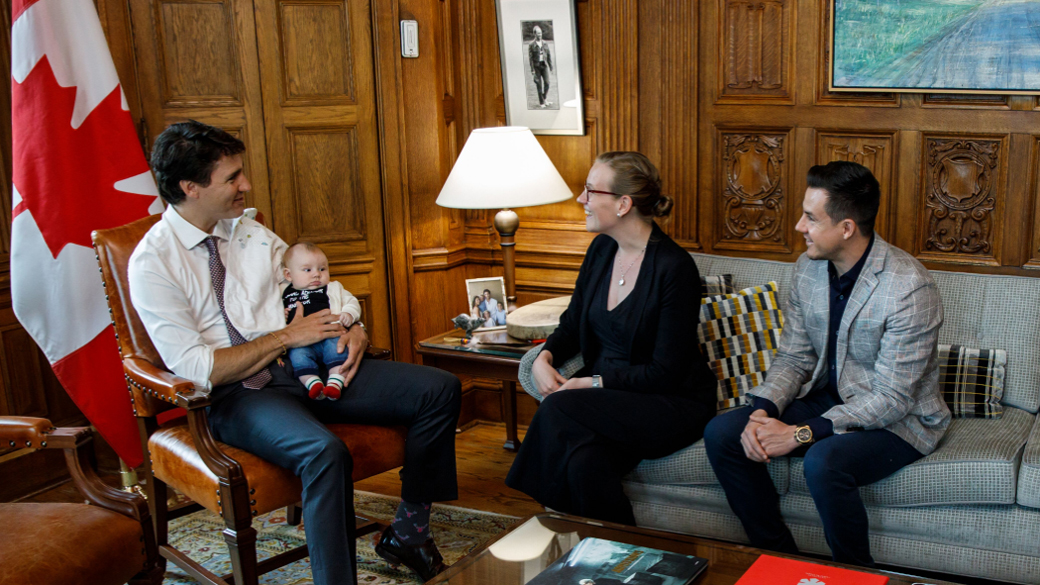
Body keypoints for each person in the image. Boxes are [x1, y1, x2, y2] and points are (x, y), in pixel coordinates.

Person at [128, 120, 461, 585]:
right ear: (191, 188)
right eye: (232, 178)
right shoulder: (153, 262)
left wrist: (355, 327)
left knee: (438, 389)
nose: (245, 185)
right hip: (236, 395)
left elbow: (315, 288)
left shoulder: (250, 234)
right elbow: (199, 370)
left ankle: (408, 534)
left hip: (307, 366)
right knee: (324, 453)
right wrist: (286, 338)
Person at [703, 161, 950, 568]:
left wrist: (798, 433)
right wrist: (761, 412)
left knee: (824, 460)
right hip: (827, 397)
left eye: (811, 218)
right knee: (724, 432)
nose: (799, 226)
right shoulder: (808, 269)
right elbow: (796, 357)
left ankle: (853, 574)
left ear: (847, 227)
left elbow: (892, 397)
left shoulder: (909, 287)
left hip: (900, 420)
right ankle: (780, 559)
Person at [505, 151, 717, 525]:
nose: (580, 200)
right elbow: (572, 323)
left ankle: (537, 524)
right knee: (586, 466)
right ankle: (625, 561)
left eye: (589, 190)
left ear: (623, 204)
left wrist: (592, 382)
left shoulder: (674, 268)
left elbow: (664, 372)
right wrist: (544, 357)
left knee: (557, 406)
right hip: (609, 400)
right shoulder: (602, 249)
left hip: (668, 403)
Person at [281, 241, 359, 401]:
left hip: (330, 335)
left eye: (322, 269)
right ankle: (313, 384)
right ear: (288, 275)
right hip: (300, 342)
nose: (316, 274)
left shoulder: (333, 288)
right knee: (297, 357)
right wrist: (281, 315)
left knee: (338, 351)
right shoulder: (283, 294)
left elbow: (352, 302)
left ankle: (335, 384)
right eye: (307, 270)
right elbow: (271, 318)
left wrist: (349, 314)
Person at [528, 25, 553, 108]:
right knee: (539, 84)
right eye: (538, 33)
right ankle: (541, 102)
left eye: (541, 33)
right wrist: (532, 70)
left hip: (544, 65)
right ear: (535, 34)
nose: (540, 35)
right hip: (536, 67)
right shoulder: (531, 45)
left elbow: (549, 55)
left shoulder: (545, 43)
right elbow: (530, 59)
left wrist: (551, 67)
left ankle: (544, 98)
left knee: (547, 83)